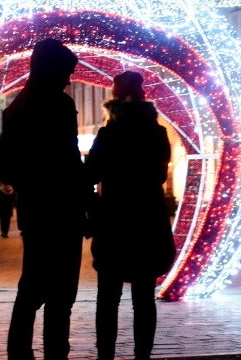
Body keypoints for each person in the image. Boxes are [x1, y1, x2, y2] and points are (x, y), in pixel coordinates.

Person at [0, 38, 91, 360]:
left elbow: (5, 168)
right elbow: (69, 160)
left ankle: (19, 353)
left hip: (34, 210)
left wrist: (28, 186)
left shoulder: (15, 108)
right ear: (54, 71)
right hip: (62, 209)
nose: (68, 80)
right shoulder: (59, 105)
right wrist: (87, 201)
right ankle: (55, 355)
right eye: (66, 73)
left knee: (32, 287)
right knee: (61, 293)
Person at [85, 71, 175, 360]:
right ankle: (142, 357)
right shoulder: (157, 133)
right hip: (147, 220)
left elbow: (91, 174)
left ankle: (105, 357)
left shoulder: (108, 134)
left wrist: (93, 208)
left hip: (114, 221)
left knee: (107, 299)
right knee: (143, 299)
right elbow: (160, 174)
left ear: (114, 100)